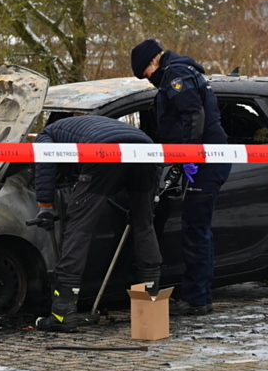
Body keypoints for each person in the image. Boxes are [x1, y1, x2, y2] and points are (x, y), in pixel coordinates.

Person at [29, 115, 162, 332]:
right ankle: (150, 312)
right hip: (145, 149)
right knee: (144, 225)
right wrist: (149, 199)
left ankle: (62, 315)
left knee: (78, 230)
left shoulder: (47, 135)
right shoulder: (91, 124)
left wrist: (45, 205)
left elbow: (45, 164)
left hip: (103, 152)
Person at [130, 39, 232, 316]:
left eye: (146, 73)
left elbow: (192, 114)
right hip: (203, 156)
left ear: (153, 62)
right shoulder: (181, 71)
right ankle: (197, 295)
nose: (149, 80)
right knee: (194, 227)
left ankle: (197, 299)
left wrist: (188, 153)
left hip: (206, 159)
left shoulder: (176, 75)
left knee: (195, 229)